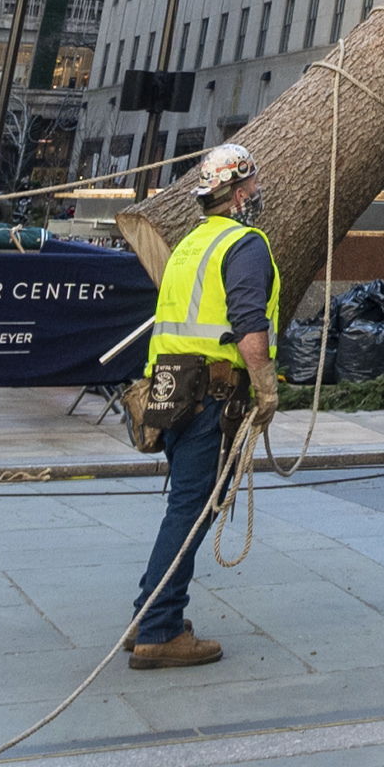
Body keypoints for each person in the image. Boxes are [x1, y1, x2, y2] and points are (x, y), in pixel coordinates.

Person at [128, 142, 273, 670]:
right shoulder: (244, 245)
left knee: (183, 506)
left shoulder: (189, 245)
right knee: (191, 512)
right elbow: (249, 325)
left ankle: (149, 613)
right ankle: (159, 629)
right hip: (213, 395)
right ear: (236, 194)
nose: (257, 194)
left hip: (169, 393)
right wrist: (266, 389)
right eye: (252, 186)